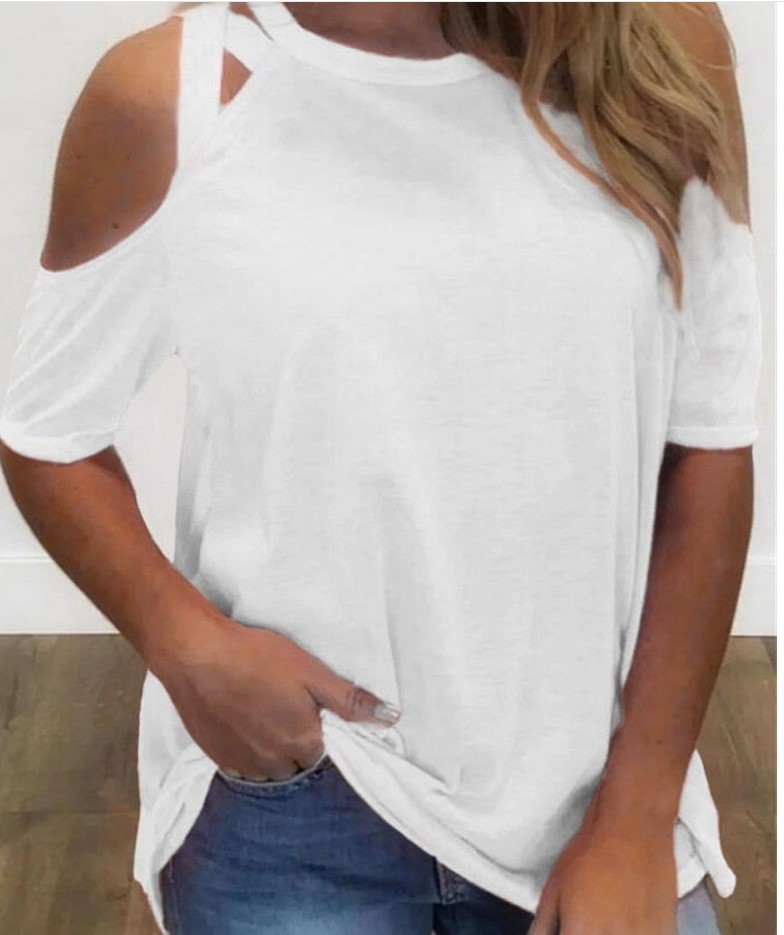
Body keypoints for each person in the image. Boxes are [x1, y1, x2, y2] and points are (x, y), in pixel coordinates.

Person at [0, 2, 762, 933]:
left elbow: (708, 441)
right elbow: (46, 429)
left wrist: (638, 816)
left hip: (601, 801)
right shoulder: (178, 94)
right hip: (299, 795)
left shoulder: (656, 47)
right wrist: (184, 641)